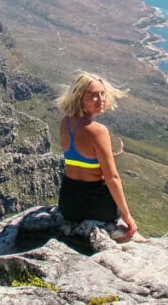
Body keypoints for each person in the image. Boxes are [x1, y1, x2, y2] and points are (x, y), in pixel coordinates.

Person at [56, 71, 138, 237]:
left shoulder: (65, 122)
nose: (101, 99)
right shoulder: (98, 131)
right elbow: (112, 177)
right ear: (79, 98)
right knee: (128, 233)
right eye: (93, 95)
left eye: (102, 93)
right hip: (97, 206)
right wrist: (126, 215)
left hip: (68, 205)